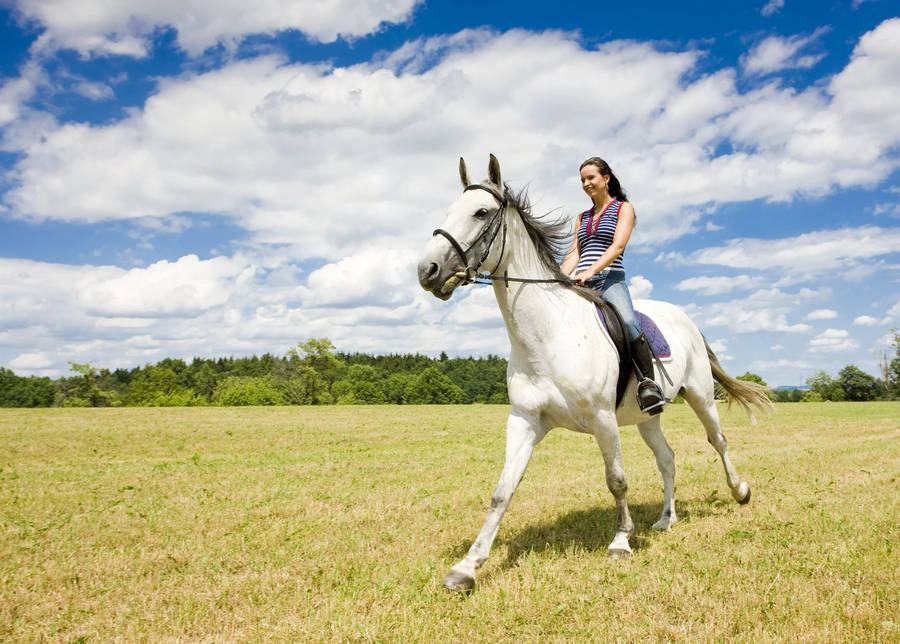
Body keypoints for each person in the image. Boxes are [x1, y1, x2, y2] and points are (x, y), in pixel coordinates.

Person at [561, 157, 665, 414]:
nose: (586, 183)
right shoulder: (582, 218)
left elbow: (617, 245)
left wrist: (591, 271)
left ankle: (648, 385)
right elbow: (574, 253)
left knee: (628, 322)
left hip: (610, 281)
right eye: (582, 180)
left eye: (591, 178)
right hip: (582, 282)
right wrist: (559, 277)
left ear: (606, 178)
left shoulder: (623, 208)